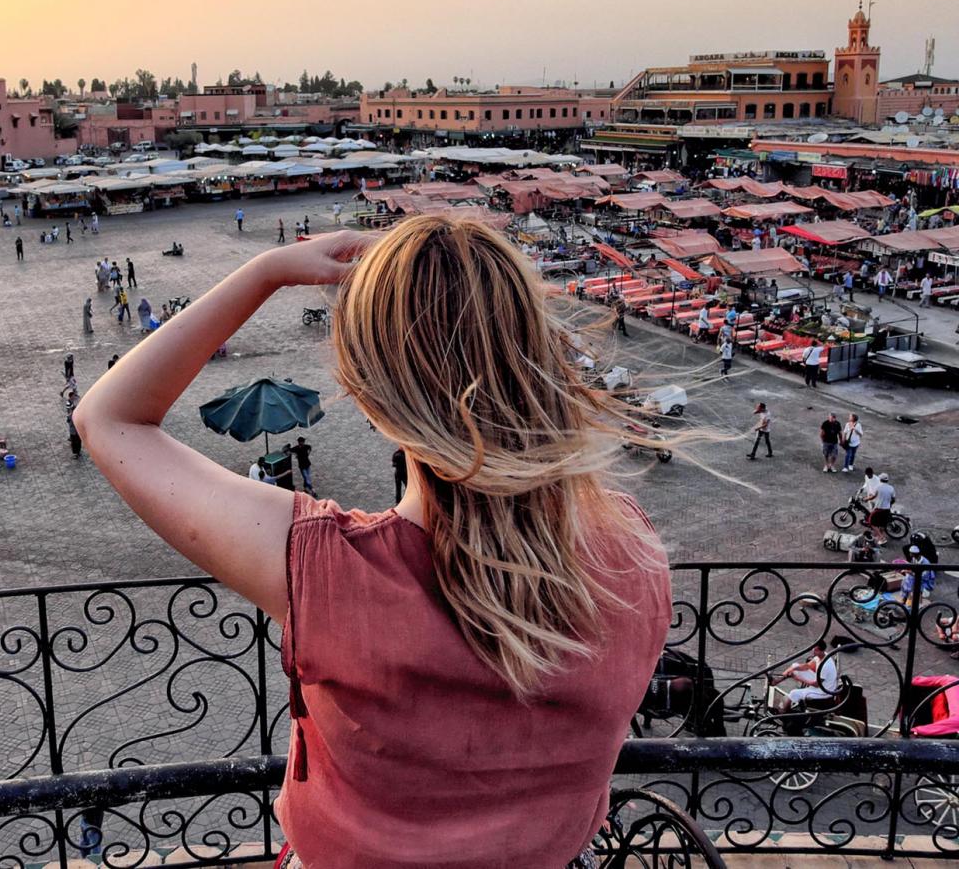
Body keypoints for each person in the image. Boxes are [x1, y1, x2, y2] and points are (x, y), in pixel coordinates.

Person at [71, 219, 670, 868]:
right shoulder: (631, 554)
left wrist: (267, 270)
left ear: (368, 398)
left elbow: (108, 417)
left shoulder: (333, 573)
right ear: (537, 357)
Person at [869, 472, 896, 544]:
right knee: (882, 524)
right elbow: (893, 499)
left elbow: (873, 496)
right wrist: (888, 504)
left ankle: (882, 538)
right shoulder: (891, 488)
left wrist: (866, 499)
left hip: (879, 509)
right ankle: (879, 538)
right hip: (887, 509)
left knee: (871, 522)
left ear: (880, 479)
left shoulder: (878, 487)